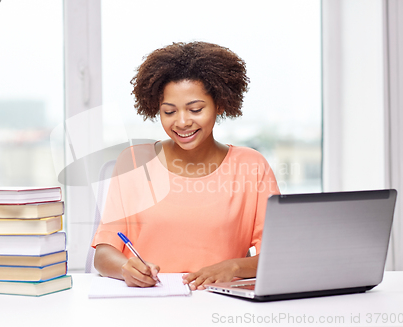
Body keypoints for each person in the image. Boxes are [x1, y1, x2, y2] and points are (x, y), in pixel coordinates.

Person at [91, 41, 279, 290]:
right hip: (147, 303)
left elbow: (277, 256)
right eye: (169, 112)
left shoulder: (251, 166)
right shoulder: (135, 162)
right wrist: (126, 268)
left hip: (221, 304)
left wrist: (234, 267)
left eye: (195, 109)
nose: (182, 122)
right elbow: (103, 256)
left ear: (219, 104)